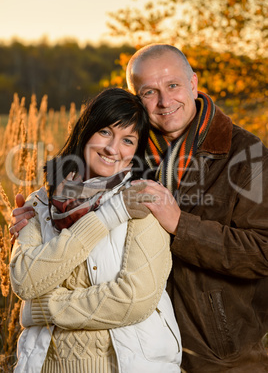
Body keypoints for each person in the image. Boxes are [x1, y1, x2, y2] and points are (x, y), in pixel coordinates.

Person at [10, 44, 268, 372]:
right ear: (136, 97)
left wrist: (180, 225)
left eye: (173, 85)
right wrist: (41, 212)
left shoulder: (247, 155)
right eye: (149, 91)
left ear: (193, 83)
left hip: (219, 353)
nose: (164, 101)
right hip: (138, 346)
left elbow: (263, 251)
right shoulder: (128, 146)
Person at [9, 87, 182, 373]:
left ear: (134, 153)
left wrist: (45, 308)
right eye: (104, 132)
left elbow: (134, 299)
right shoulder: (41, 200)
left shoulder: (141, 201)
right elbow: (24, 280)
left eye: (127, 140)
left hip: (124, 366)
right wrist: (106, 218)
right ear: (85, 131)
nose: (112, 148)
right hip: (43, 365)